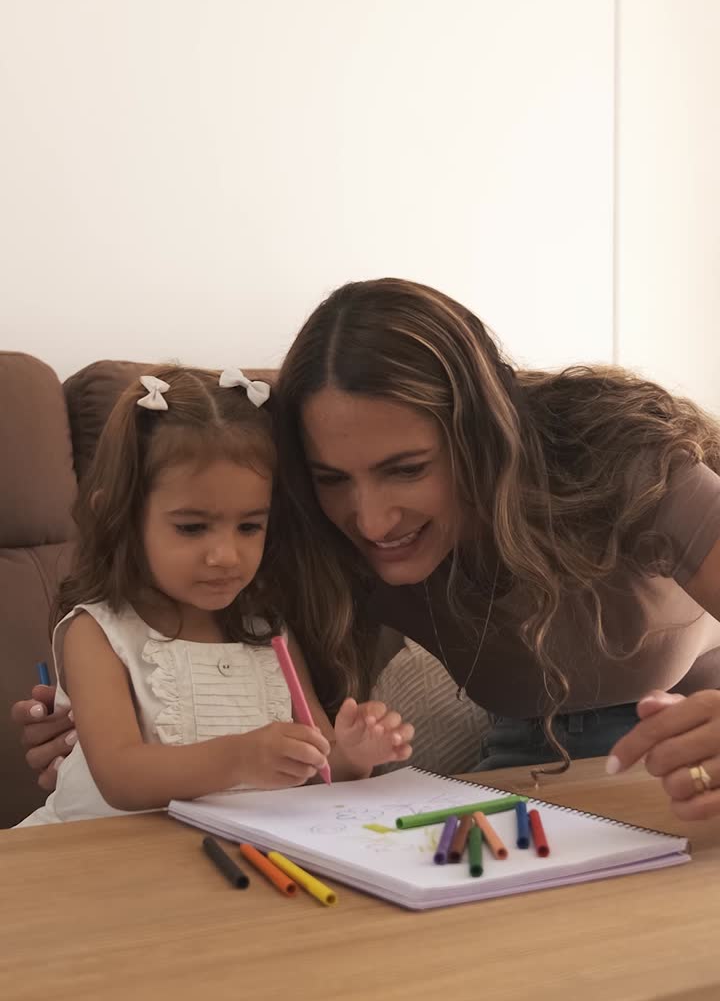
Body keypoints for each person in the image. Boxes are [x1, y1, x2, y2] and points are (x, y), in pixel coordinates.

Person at [14, 279, 720, 821]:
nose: (373, 520)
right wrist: (99, 717)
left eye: (407, 469)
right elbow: (202, 654)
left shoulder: (624, 462)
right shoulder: (308, 536)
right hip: (525, 744)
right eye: (331, 479)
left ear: (480, 438)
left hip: (681, 715)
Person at [15, 364, 413, 827]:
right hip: (93, 854)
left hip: (224, 855)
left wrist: (352, 756)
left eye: (249, 526)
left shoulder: (271, 632)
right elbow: (120, 776)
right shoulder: (97, 633)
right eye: (192, 527)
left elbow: (316, 767)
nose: (226, 555)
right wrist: (239, 759)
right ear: (122, 520)